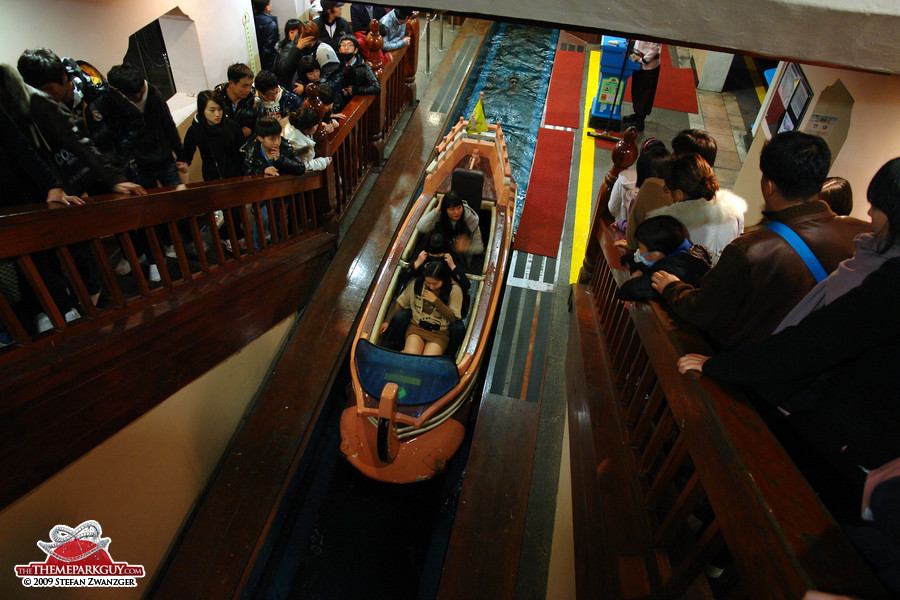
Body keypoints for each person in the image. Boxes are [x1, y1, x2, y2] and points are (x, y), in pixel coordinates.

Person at [650, 131, 869, 348]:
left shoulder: (749, 250)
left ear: (769, 186)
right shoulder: (861, 236)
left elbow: (704, 311)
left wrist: (673, 288)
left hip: (749, 361)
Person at [16, 48, 145, 196]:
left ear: (64, 77)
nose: (46, 95)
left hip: (120, 173)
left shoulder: (99, 91)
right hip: (92, 180)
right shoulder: (47, 108)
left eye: (48, 88)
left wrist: (120, 156)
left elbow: (136, 120)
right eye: (40, 91)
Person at [624, 129, 718, 250]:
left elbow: (632, 239)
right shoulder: (729, 209)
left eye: (675, 154)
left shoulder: (654, 188)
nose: (671, 157)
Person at [647, 153, 746, 263]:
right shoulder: (735, 210)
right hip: (725, 276)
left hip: (686, 278)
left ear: (680, 194)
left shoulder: (675, 223)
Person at [183, 91, 248, 253]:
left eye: (219, 109)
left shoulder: (231, 126)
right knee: (223, 210)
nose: (217, 114)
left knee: (236, 211)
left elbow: (243, 150)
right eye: (212, 110)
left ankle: (235, 233)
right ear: (202, 110)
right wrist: (183, 164)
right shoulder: (195, 130)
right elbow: (187, 153)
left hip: (234, 173)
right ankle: (227, 236)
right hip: (212, 175)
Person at [107, 63, 188, 189]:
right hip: (139, 164)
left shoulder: (153, 94)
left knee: (179, 195)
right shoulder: (116, 102)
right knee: (150, 203)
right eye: (132, 95)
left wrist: (181, 156)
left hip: (164, 159)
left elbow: (169, 125)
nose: (138, 97)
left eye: (139, 92)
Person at [242, 117, 307, 248]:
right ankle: (257, 248)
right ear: (260, 138)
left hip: (281, 192)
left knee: (282, 219)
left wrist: (281, 159)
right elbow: (245, 172)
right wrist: (263, 169)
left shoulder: (284, 145)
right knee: (263, 218)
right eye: (272, 139)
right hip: (261, 194)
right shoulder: (251, 150)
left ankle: (282, 245)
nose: (276, 142)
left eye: (278, 137)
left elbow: (300, 167)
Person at [616, 215, 712, 301]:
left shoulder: (672, 270)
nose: (639, 252)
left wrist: (636, 269)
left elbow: (631, 289)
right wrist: (641, 268)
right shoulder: (686, 249)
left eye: (640, 248)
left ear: (656, 255)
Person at [379, 260, 462, 356]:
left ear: (444, 280)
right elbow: (401, 303)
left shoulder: (454, 290)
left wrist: (436, 301)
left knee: (426, 360)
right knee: (411, 355)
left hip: (439, 333)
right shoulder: (417, 284)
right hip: (417, 327)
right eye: (427, 282)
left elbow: (452, 318)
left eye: (435, 284)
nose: (431, 287)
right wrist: (387, 321)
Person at [608, 139, 668, 238]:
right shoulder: (671, 191)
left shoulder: (628, 180)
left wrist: (620, 223)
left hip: (631, 238)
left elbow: (613, 209)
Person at [416, 191, 484, 267]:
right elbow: (420, 227)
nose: (457, 212)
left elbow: (479, 247)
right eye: (452, 209)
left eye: (459, 208)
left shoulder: (471, 220)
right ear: (445, 209)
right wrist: (437, 209)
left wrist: (466, 248)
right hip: (440, 255)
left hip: (460, 260)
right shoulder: (438, 216)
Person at [274, 20, 342, 94]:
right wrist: (297, 49)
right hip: (294, 91)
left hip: (320, 93)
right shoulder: (291, 48)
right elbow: (283, 71)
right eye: (307, 39)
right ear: (301, 36)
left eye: (313, 40)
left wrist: (307, 88)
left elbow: (334, 78)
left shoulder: (323, 49)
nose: (311, 43)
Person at [622, 40, 662, 132]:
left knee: (645, 95)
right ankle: (637, 115)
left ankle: (640, 122)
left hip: (648, 68)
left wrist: (642, 60)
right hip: (638, 64)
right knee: (637, 92)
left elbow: (655, 49)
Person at [214, 63, 262, 139]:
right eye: (244, 86)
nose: (248, 90)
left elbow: (262, 129)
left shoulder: (255, 102)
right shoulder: (216, 100)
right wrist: (239, 133)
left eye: (250, 85)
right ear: (231, 83)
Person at [336, 35, 381, 109]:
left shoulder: (363, 67)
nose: (346, 48)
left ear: (356, 50)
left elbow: (376, 88)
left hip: (356, 103)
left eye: (350, 45)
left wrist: (355, 90)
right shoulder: (336, 65)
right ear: (339, 50)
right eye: (343, 45)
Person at [283, 106, 333, 171]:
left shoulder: (296, 126)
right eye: (315, 125)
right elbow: (305, 166)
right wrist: (323, 162)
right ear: (306, 128)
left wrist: (324, 130)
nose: (317, 126)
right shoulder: (299, 144)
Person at [252, 0, 280, 72]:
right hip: (269, 63)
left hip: (258, 61)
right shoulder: (270, 24)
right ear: (267, 7)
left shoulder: (253, 20)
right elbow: (268, 48)